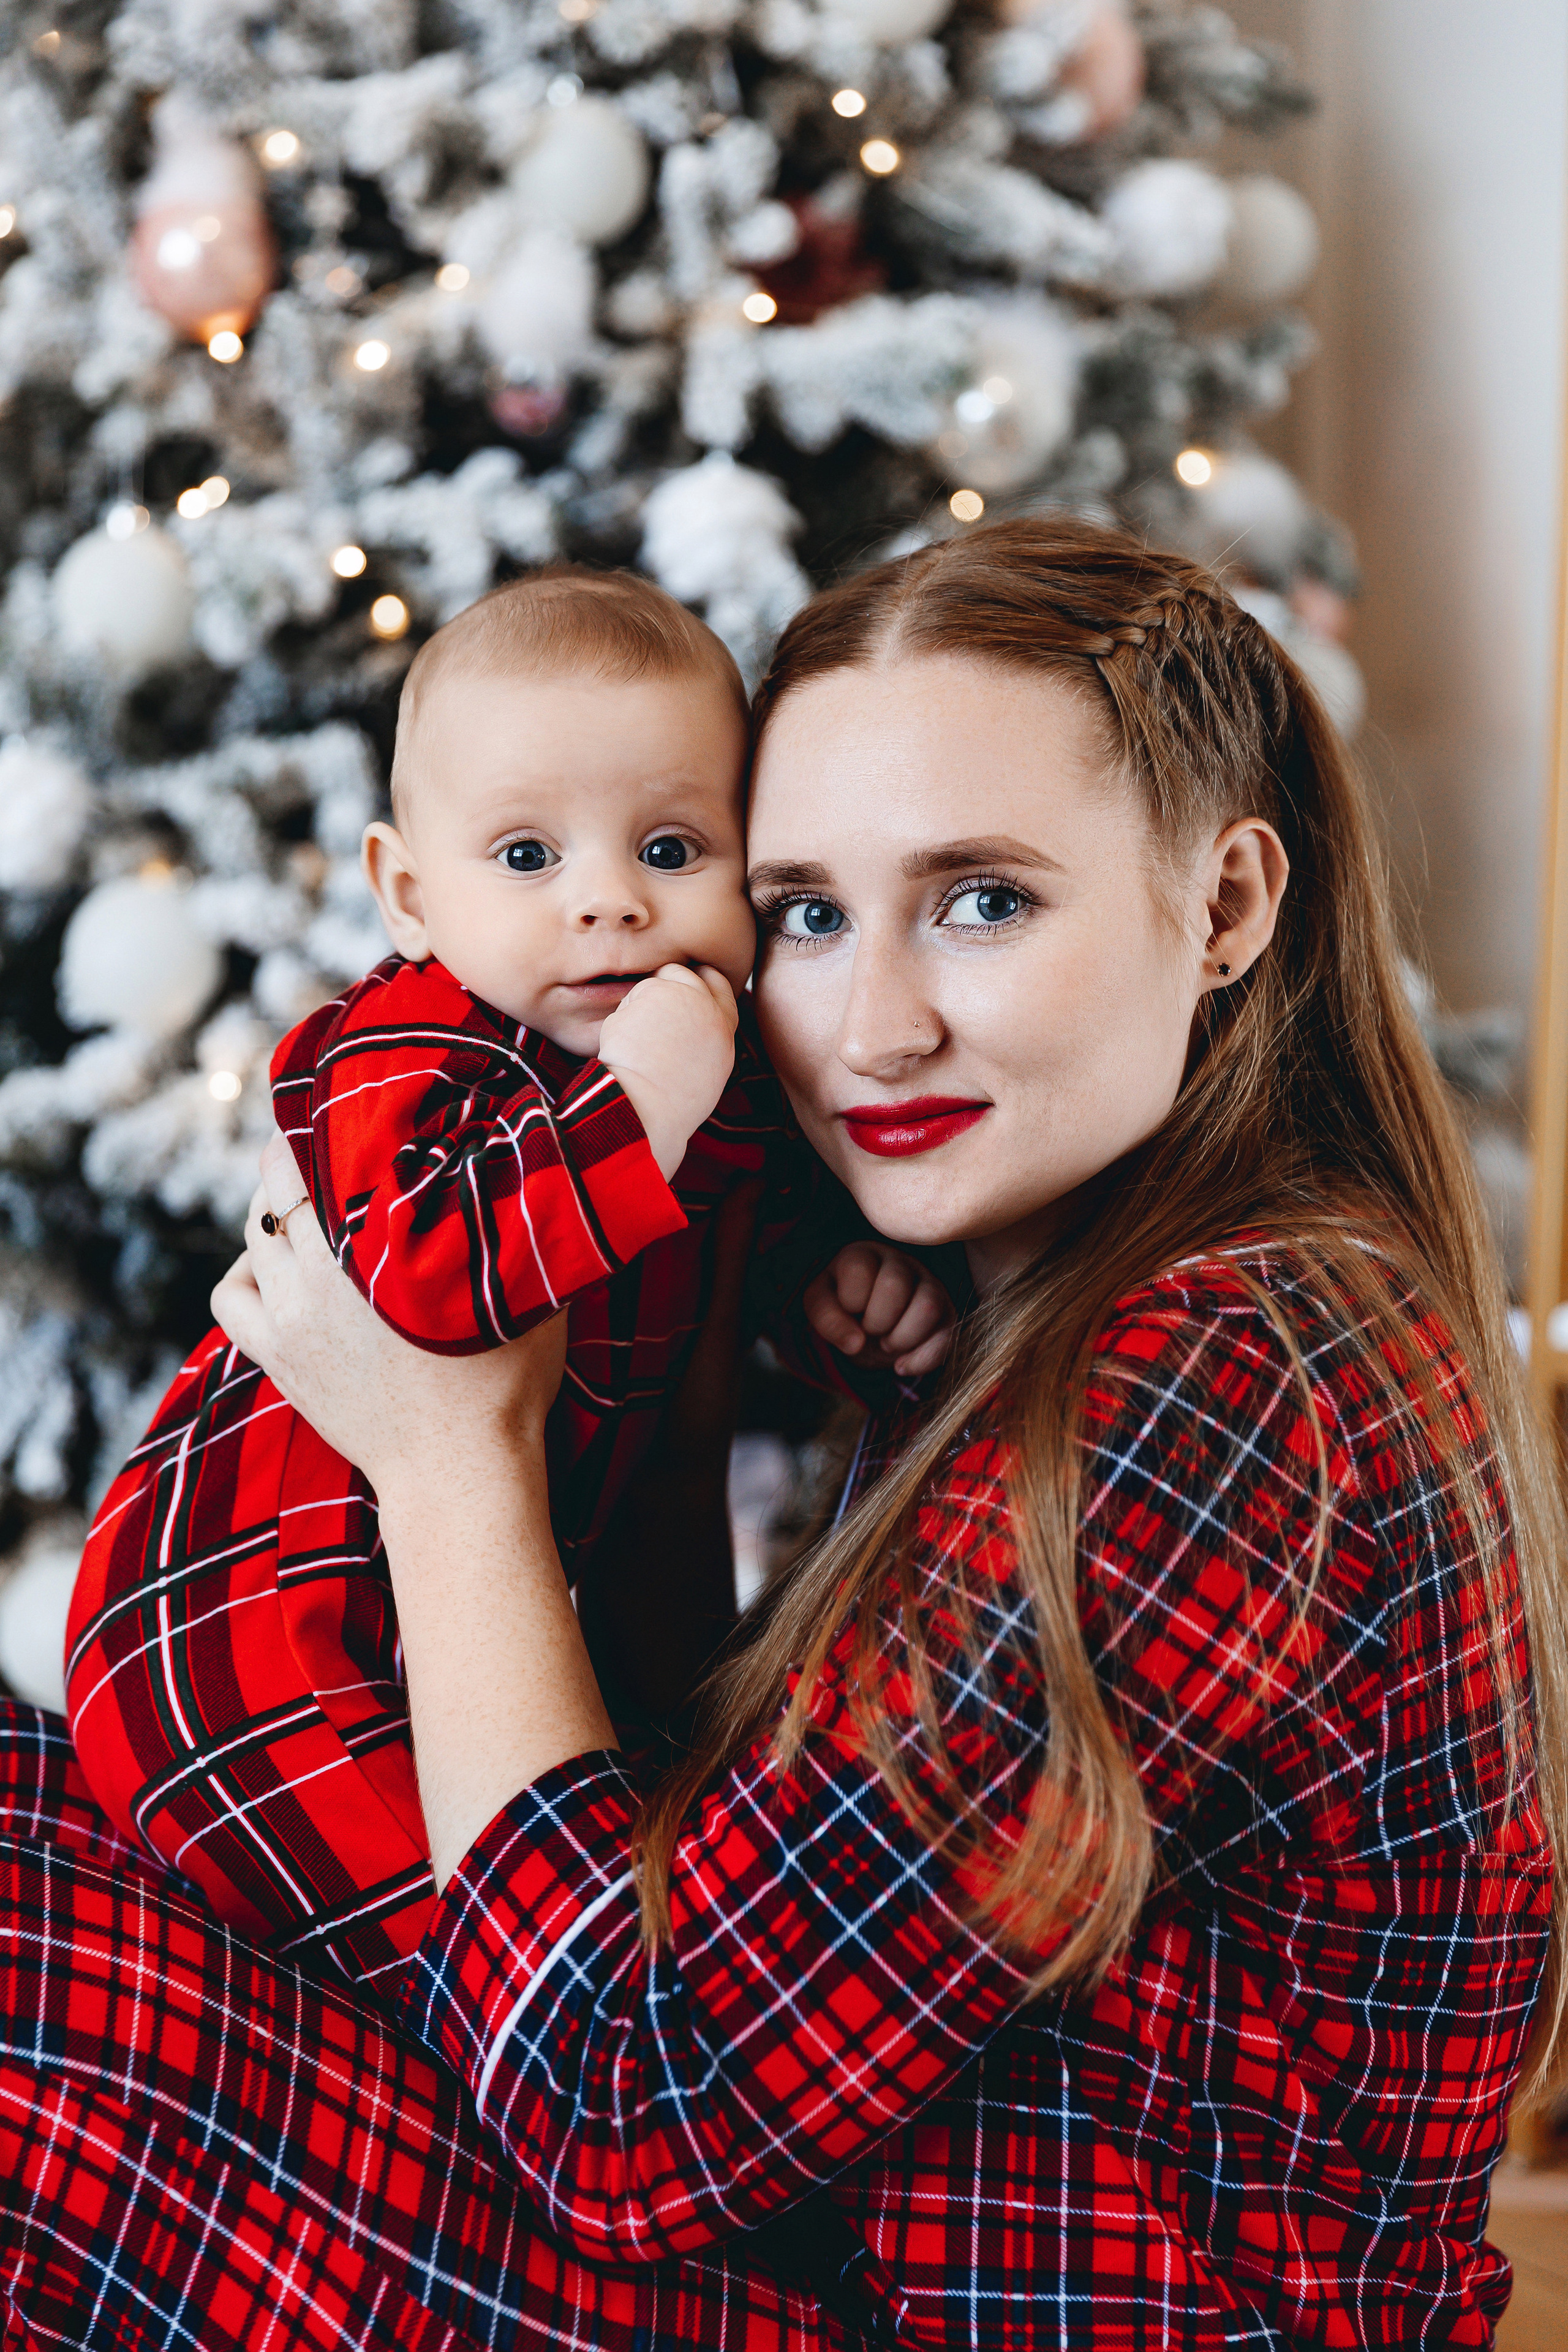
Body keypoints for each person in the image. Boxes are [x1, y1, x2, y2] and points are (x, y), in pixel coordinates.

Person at [0, 516, 1561, 2351]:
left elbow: (616, 2106)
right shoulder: (1073, 1308)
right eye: (809, 912)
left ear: (1222, 906)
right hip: (818, 2228)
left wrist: (444, 1454)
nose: (873, 1028)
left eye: (983, 899)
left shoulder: (1230, 1380)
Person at [62, 567, 951, 1988]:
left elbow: (734, 1233)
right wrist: (635, 1113)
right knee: (470, 1963)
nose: (609, 905)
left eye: (670, 850)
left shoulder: (709, 1069)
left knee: (625, 1852)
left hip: (503, 1616)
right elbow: (422, 1289)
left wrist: (827, 1286)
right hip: (260, 1640)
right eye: (528, 859)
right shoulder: (406, 1053)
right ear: (411, 894)